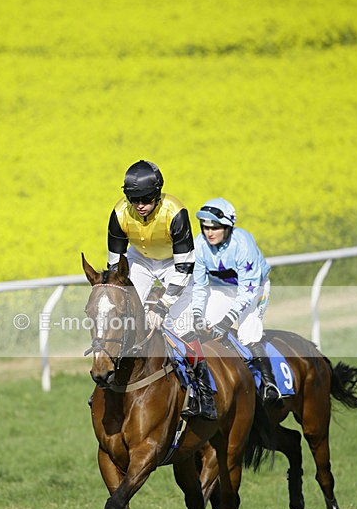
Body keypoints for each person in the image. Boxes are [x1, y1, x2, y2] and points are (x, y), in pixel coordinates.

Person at [107, 160, 216, 419]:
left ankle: (203, 393)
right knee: (121, 315)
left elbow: (184, 268)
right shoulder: (119, 213)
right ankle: (109, 380)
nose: (140, 205)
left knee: (182, 328)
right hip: (139, 261)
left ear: (158, 194)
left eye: (146, 198)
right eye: (134, 199)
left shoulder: (175, 211)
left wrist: (161, 304)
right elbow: (115, 267)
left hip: (175, 264)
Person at [192, 197, 282, 404]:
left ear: (227, 226)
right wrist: (197, 315)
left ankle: (270, 385)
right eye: (205, 227)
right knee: (202, 329)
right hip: (222, 289)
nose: (209, 233)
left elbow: (247, 291)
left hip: (253, 289)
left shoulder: (243, 243)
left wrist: (225, 323)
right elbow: (198, 286)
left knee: (247, 333)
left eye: (215, 227)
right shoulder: (199, 245)